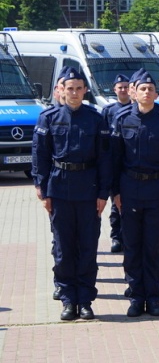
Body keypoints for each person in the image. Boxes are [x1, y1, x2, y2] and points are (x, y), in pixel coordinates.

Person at [33, 67, 112, 321]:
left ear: (85, 90)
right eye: (70, 88)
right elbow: (40, 155)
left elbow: (104, 158)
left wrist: (103, 192)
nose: (75, 93)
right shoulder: (49, 117)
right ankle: (68, 300)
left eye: (79, 88)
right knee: (64, 249)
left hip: (88, 188)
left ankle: (86, 300)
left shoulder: (95, 118)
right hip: (60, 187)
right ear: (62, 90)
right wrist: (43, 188)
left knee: (87, 247)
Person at [111, 72, 159, 317]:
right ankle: (135, 296)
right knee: (131, 245)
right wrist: (115, 193)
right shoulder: (121, 119)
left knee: (152, 246)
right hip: (129, 190)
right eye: (143, 89)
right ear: (134, 92)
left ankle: (152, 297)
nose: (147, 93)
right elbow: (114, 160)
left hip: (156, 190)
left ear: (156, 93)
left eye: (151, 89)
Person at [103, 73, 132, 254]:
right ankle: (116, 237)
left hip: (130, 163)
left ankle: (128, 237)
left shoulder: (135, 109)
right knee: (116, 204)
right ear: (114, 90)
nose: (123, 90)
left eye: (126, 87)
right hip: (114, 162)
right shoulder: (108, 111)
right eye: (120, 87)